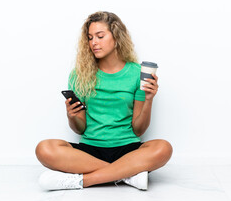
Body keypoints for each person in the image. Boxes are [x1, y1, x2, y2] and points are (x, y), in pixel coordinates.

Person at [35, 11, 173, 191]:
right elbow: (80, 129)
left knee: (163, 148)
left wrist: (148, 100)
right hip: (89, 151)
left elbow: (139, 129)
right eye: (90, 37)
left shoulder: (136, 73)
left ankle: (83, 181)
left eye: (100, 36)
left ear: (117, 37)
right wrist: (72, 116)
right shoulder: (79, 75)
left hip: (128, 150)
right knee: (44, 148)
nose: (94, 42)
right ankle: (127, 175)